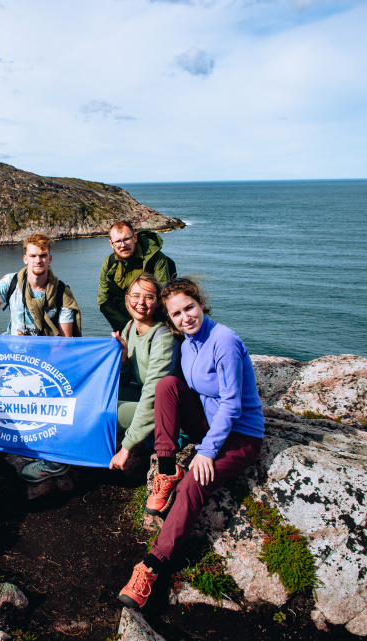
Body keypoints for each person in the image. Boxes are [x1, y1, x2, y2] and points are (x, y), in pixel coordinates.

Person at [118, 276, 264, 609]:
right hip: (208, 425)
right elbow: (186, 394)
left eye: (190, 308)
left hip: (240, 435)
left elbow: (232, 403)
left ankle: (152, 566)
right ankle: (166, 469)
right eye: (177, 314)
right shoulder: (187, 344)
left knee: (194, 484)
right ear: (169, 319)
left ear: (200, 304)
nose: (186, 317)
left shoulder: (224, 341)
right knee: (167, 385)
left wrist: (208, 451)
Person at [0, 232, 81, 481]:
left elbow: (65, 340)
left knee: (46, 413)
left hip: (45, 362)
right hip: (12, 360)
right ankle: (30, 449)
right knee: (15, 407)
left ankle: (54, 461)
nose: (38, 260)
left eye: (43, 255)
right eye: (33, 255)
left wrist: (38, 350)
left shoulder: (61, 293)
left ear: (50, 258)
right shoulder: (10, 283)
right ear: (25, 258)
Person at [108, 273, 178, 472]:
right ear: (127, 299)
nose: (141, 302)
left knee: (105, 411)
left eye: (149, 297)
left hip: (168, 409)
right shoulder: (129, 328)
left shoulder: (162, 337)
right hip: (142, 394)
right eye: (136, 295)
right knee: (96, 397)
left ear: (158, 303)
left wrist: (127, 447)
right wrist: (122, 358)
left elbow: (154, 393)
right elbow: (125, 379)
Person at [97, 221, 176, 333]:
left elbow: (163, 295)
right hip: (124, 327)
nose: (123, 245)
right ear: (111, 244)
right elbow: (104, 301)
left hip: (154, 325)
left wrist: (146, 327)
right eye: (118, 241)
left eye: (126, 239)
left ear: (135, 237)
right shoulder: (109, 263)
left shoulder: (156, 258)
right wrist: (127, 327)